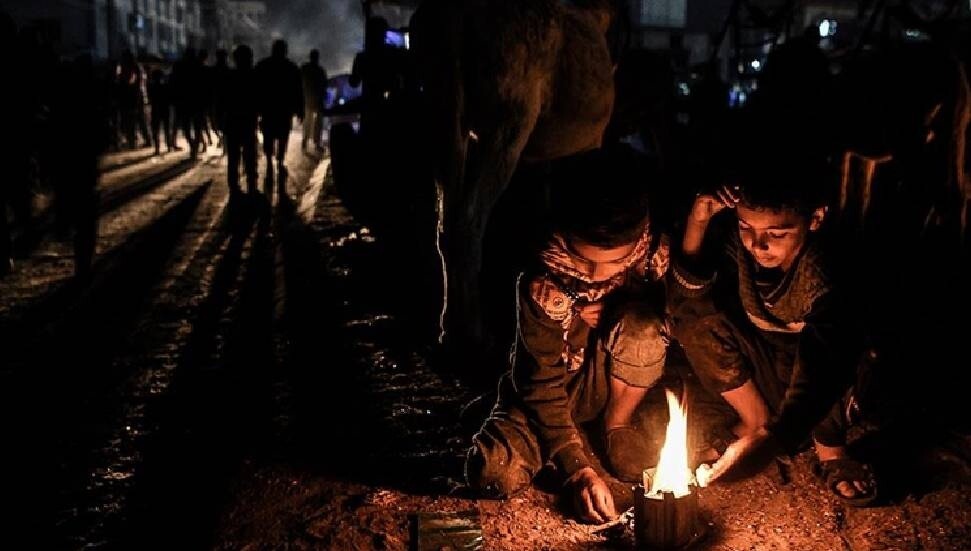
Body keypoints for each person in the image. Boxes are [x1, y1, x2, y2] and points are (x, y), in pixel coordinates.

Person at [465, 147, 671, 523]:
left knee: (642, 326)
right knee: (493, 472)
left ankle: (617, 426)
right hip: (554, 389)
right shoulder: (541, 281)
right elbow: (538, 382)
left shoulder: (651, 258)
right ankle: (561, 441)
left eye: (611, 262)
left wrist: (618, 311)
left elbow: (665, 331)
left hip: (612, 384)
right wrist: (577, 467)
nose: (594, 275)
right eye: (582, 258)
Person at [668, 153, 876, 506]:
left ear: (815, 219)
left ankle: (831, 451)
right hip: (768, 370)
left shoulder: (824, 274)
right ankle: (753, 420)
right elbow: (687, 298)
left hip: (821, 388)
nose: (758, 244)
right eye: (747, 228)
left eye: (777, 234)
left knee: (832, 358)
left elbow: (823, 367)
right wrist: (697, 222)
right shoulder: (742, 245)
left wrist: (772, 442)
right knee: (691, 319)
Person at [255, 39, 302, 194]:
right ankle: (279, 161)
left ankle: (270, 161)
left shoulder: (263, 66)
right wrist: (300, 109)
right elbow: (298, 91)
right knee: (282, 136)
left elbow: (255, 89)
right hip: (283, 110)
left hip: (268, 109)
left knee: (269, 136)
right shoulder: (291, 68)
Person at [224, 45, 259, 198]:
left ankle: (234, 186)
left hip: (232, 123)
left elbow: (220, 101)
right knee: (249, 155)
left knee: (234, 157)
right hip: (248, 122)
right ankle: (251, 185)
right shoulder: (253, 76)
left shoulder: (229, 77)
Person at [300, 49, 328, 151]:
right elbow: (325, 85)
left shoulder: (305, 68)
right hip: (316, 100)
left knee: (308, 121)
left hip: (307, 99)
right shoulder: (320, 70)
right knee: (317, 123)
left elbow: (299, 83)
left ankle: (305, 140)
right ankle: (315, 143)